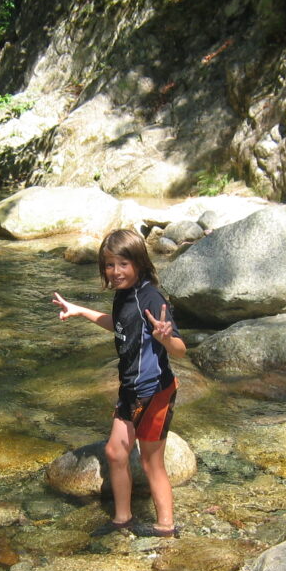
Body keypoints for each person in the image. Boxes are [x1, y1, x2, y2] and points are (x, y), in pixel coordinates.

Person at [52, 228, 187, 537]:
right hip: (130, 389)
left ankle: (166, 527)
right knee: (115, 452)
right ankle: (122, 518)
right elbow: (120, 325)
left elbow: (180, 349)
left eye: (123, 264)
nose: (116, 271)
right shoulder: (123, 294)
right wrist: (80, 311)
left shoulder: (150, 297)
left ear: (139, 263)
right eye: (110, 265)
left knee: (152, 462)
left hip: (154, 391)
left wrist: (166, 338)